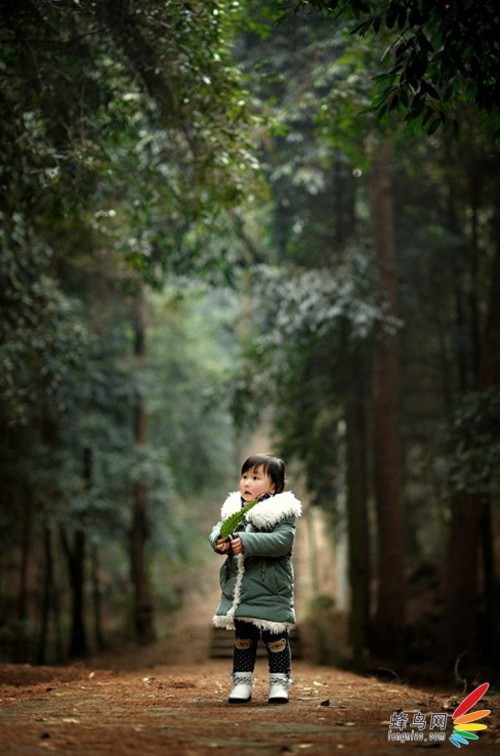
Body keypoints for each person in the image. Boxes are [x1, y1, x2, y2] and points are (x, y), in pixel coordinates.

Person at [209, 453, 302, 704]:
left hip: (271, 589)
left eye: (256, 478)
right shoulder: (234, 510)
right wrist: (219, 542)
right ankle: (241, 684)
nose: (247, 483)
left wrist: (247, 542)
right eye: (245, 477)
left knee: (276, 640)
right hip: (241, 591)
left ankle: (279, 684)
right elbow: (219, 529)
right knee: (243, 639)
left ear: (275, 486)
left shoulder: (282, 512)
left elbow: (283, 542)